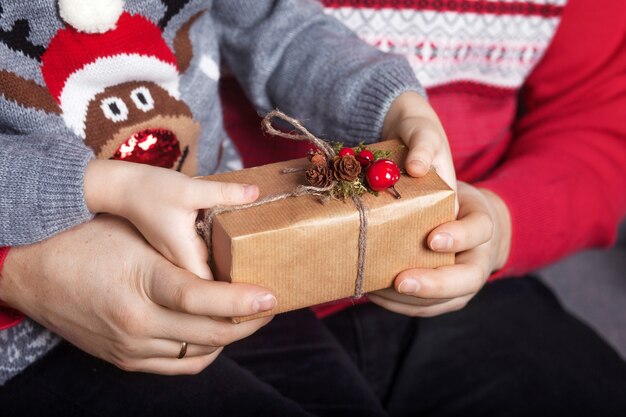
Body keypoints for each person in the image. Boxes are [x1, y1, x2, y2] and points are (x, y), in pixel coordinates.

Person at [1, 0, 625, 416]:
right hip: (27, 339)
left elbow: (282, 27)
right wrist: (94, 195)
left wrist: (392, 104)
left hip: (235, 279)